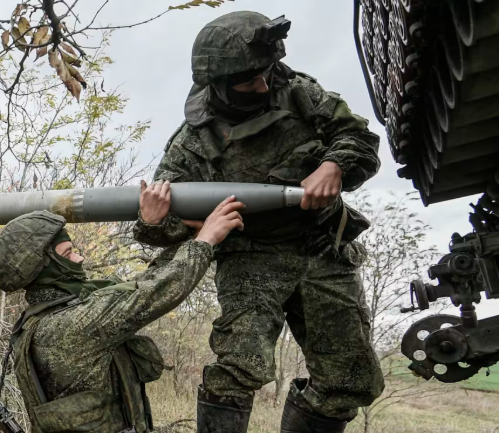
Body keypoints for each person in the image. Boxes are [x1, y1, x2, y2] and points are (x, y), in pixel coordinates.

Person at [132, 10, 385, 433]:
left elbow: (359, 138)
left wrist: (335, 164)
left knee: (349, 379)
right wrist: (159, 222)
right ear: (221, 84)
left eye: (265, 74)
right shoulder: (193, 143)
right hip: (250, 257)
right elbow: (165, 223)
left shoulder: (300, 92)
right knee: (238, 368)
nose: (263, 86)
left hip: (322, 247)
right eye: (249, 82)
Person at [0, 181, 245, 433]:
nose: (79, 258)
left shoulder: (47, 316)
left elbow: (140, 285)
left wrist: (192, 239)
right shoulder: (66, 324)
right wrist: (205, 240)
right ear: (45, 269)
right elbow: (154, 293)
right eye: (67, 254)